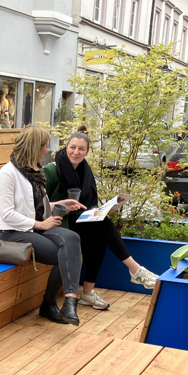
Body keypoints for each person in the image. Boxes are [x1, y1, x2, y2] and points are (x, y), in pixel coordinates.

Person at [44, 132, 158, 310]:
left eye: (81, 149)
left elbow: (89, 204)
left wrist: (103, 209)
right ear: (66, 148)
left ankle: (88, 293)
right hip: (56, 222)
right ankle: (135, 270)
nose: (76, 152)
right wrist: (65, 208)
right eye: (72, 147)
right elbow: (40, 206)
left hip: (78, 220)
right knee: (101, 225)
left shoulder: (84, 171)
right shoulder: (51, 170)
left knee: (98, 234)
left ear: (87, 152)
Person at [0, 124, 86, 325]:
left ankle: (69, 301)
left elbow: (35, 205)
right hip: (12, 232)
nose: (47, 150)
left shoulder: (34, 172)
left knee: (73, 240)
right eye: (44, 146)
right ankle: (51, 304)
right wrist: (40, 224)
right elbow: (7, 214)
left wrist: (59, 204)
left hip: (33, 227)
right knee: (63, 253)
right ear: (33, 147)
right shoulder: (8, 173)